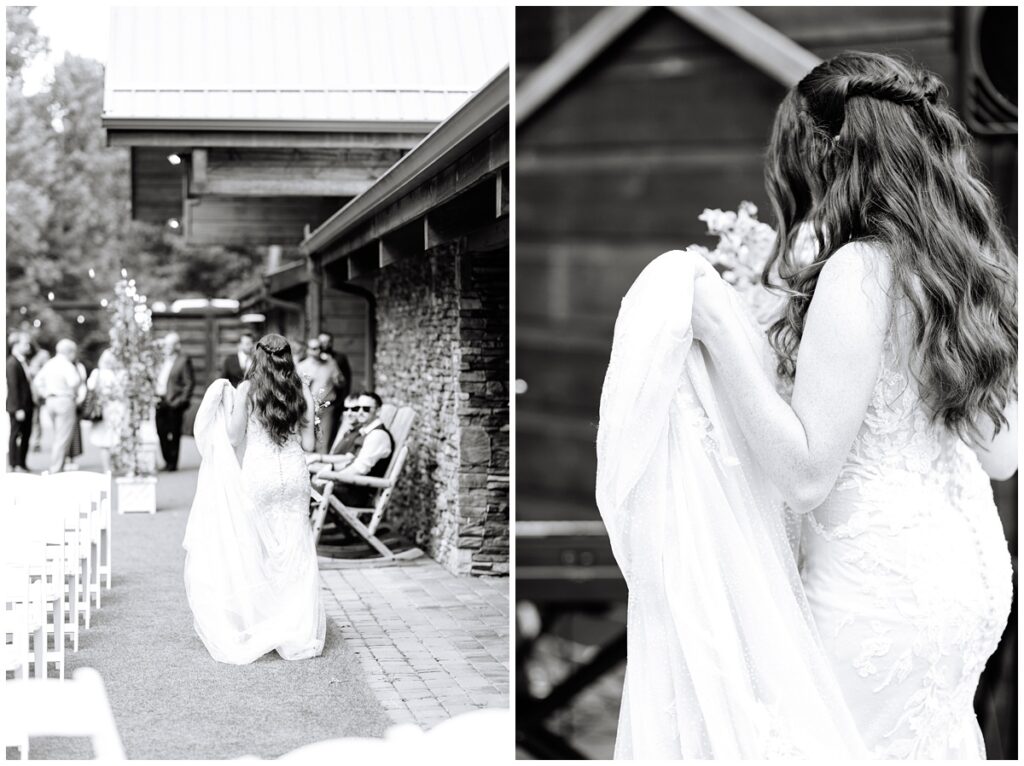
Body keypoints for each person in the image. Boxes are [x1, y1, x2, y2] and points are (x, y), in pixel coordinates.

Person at [597, 52, 1017, 759]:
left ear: (824, 159)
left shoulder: (860, 270)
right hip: (970, 579)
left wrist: (718, 327)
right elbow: (1005, 457)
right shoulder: (973, 267)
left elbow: (807, 473)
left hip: (877, 591)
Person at [183, 333, 325, 664]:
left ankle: (267, 620)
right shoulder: (301, 389)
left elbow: (234, 438)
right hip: (293, 474)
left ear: (257, 358)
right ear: (288, 357)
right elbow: (310, 444)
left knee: (260, 549)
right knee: (297, 547)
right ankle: (297, 628)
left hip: (260, 474)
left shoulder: (247, 391)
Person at [313, 391, 393, 509]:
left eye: (366, 409)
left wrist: (331, 479)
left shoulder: (377, 435)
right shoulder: (365, 433)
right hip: (349, 486)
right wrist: (329, 471)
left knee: (308, 489)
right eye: (357, 408)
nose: (360, 412)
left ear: (378, 411)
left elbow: (359, 469)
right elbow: (349, 460)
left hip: (357, 494)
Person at [34, 339, 86, 474]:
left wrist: (45, 393)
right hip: (64, 400)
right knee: (63, 437)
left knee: (58, 435)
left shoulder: (49, 364)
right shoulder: (67, 365)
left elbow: (37, 381)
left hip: (50, 401)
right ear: (69, 352)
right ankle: (56, 468)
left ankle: (58, 466)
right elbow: (74, 382)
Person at [296, 337, 344, 453]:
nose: (317, 351)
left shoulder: (331, 363)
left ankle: (321, 469)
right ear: (307, 350)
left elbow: (341, 383)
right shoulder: (301, 366)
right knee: (305, 442)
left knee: (323, 442)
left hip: (325, 408)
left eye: (319, 348)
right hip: (306, 409)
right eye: (313, 349)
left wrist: (338, 379)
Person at [154, 332, 195, 471]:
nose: (166, 347)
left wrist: (180, 401)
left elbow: (189, 383)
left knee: (174, 433)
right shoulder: (160, 360)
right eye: (165, 344)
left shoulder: (183, 360)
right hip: (159, 401)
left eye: (169, 344)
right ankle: (167, 460)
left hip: (174, 402)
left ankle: (172, 463)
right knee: (161, 432)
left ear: (177, 345)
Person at [87, 349, 128, 472]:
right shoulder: (122, 373)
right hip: (118, 408)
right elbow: (125, 392)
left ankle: (107, 469)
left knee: (104, 441)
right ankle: (117, 464)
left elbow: (90, 387)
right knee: (118, 438)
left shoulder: (97, 373)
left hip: (103, 409)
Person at [6, 332, 35, 472]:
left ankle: (21, 462)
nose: (28, 346)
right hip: (18, 406)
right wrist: (18, 408)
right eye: (25, 343)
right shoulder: (12, 362)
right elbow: (13, 386)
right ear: (16, 345)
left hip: (27, 405)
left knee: (26, 435)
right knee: (15, 434)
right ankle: (13, 464)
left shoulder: (23, 361)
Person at [317, 331, 352, 447]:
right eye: (322, 342)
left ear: (331, 343)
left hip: (332, 403)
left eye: (327, 342)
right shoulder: (312, 358)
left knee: (329, 435)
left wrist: (341, 402)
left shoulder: (339, 358)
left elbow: (345, 382)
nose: (324, 344)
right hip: (313, 404)